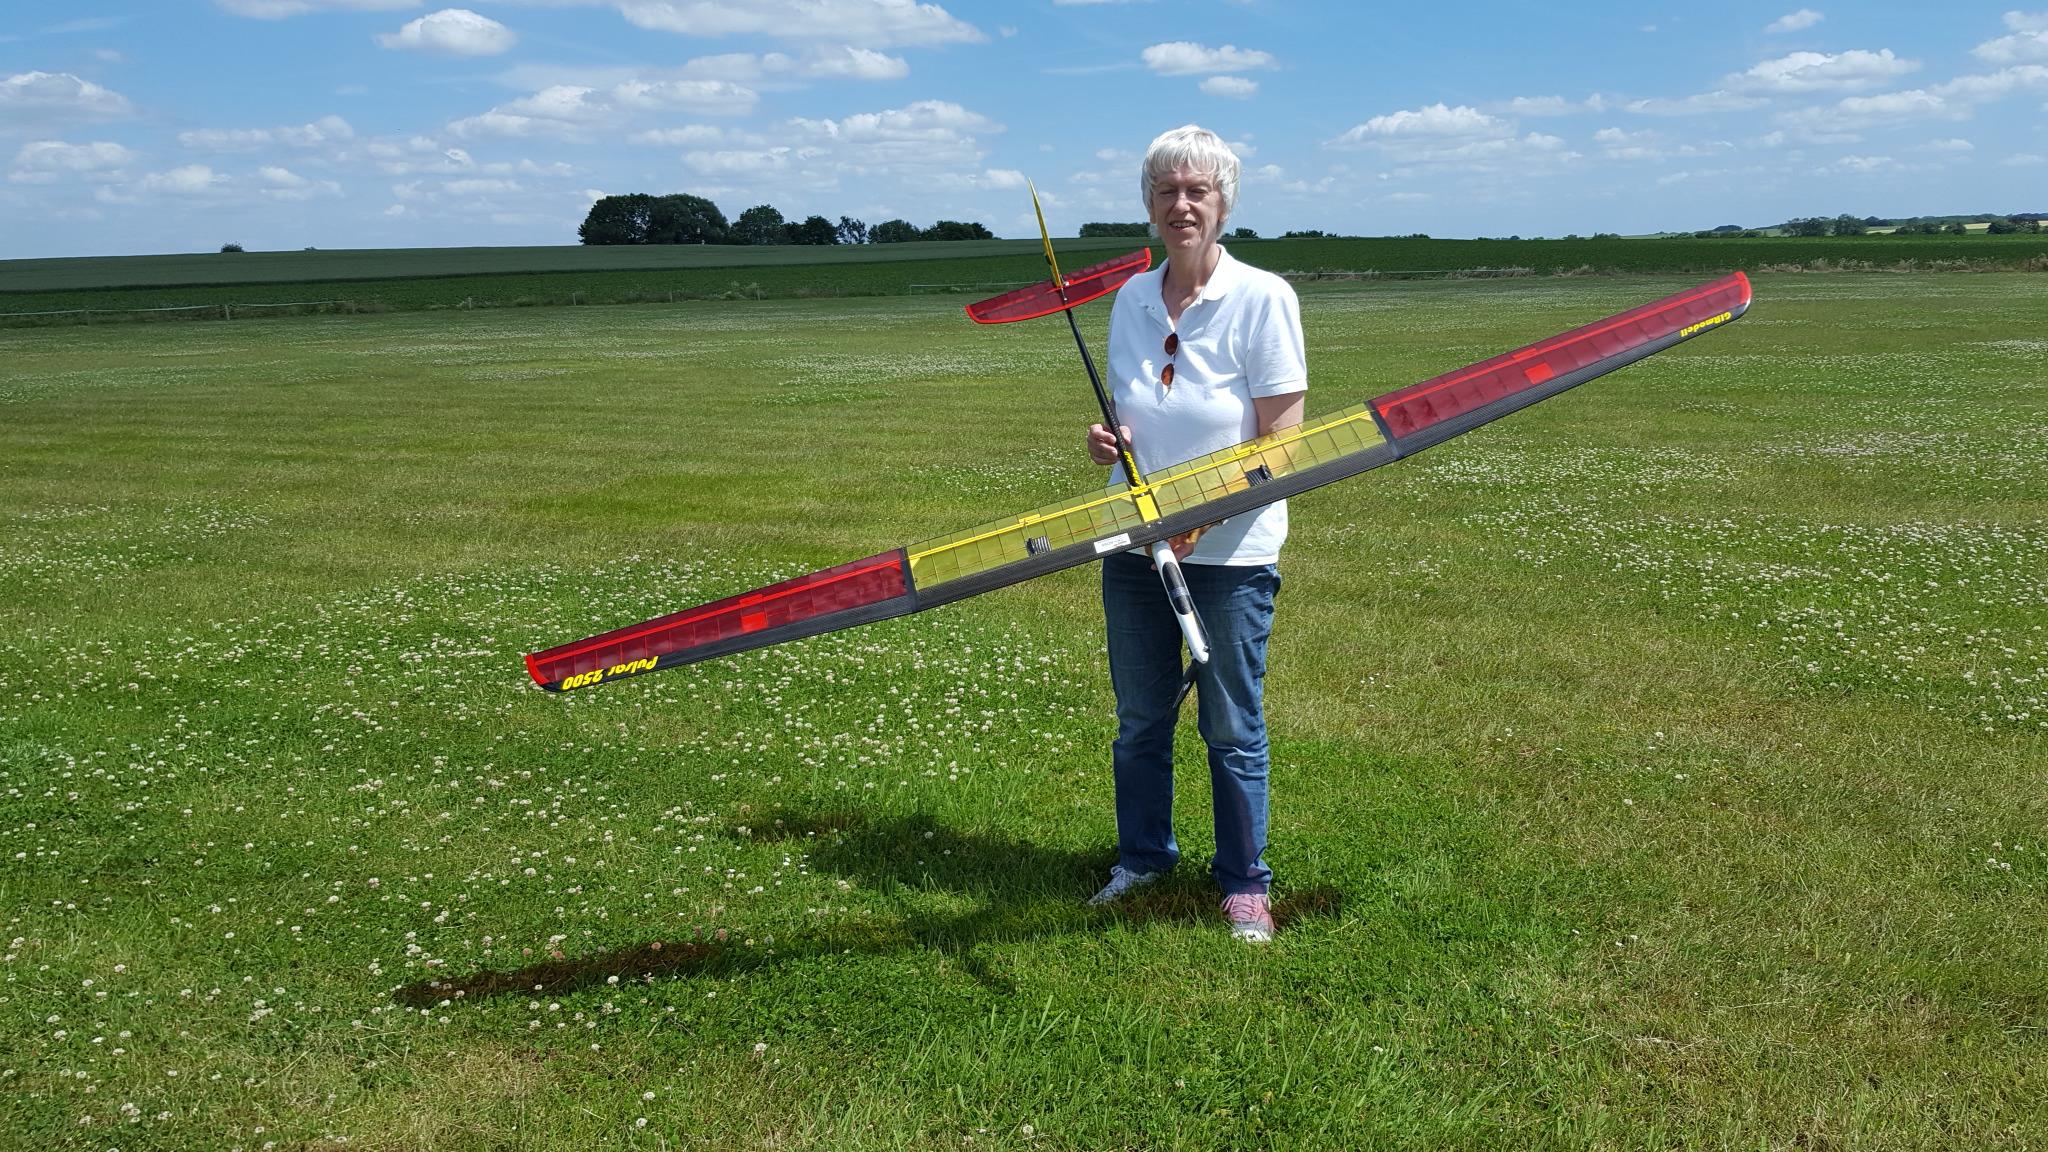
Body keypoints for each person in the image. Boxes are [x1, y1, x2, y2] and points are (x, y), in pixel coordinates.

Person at [1083, 125, 1307, 943]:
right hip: (1134, 542)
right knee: (1141, 715)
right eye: (1167, 191)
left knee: (1230, 722)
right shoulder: (1130, 299)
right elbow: (1134, 414)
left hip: (1230, 551)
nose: (1182, 205)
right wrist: (1110, 442)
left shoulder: (1264, 298)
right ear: (1149, 205)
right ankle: (1143, 858)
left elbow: (1284, 443)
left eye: (1197, 191)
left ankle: (1245, 882)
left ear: (1223, 204)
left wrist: (1202, 515)